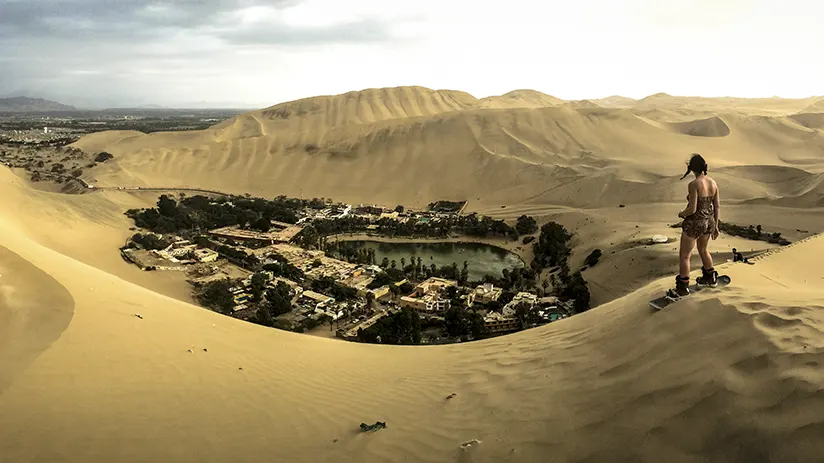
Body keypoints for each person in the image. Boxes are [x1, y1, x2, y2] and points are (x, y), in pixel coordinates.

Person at [668, 154, 720, 299]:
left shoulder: (694, 184)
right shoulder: (713, 183)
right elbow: (716, 206)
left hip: (695, 223)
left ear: (691, 168)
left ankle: (683, 288)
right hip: (708, 222)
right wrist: (715, 225)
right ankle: (710, 278)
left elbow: (692, 209)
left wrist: (681, 214)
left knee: (685, 256)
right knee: (703, 250)